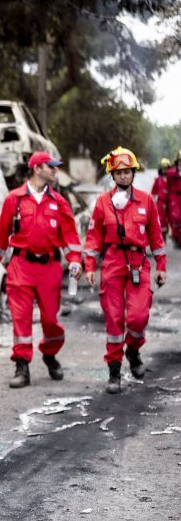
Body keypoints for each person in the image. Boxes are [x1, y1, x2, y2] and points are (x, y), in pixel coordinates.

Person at [0, 151, 83, 388]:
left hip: (49, 268)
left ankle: (49, 354)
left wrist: (75, 260)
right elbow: (0, 235)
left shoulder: (59, 202)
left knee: (50, 320)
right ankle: (22, 365)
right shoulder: (14, 199)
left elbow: (69, 236)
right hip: (20, 267)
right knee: (21, 320)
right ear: (38, 168)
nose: (55, 170)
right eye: (51, 166)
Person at [83, 147, 167, 394]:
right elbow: (93, 238)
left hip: (139, 263)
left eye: (127, 172)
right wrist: (90, 266)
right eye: (118, 172)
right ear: (112, 175)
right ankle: (114, 370)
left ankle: (133, 349)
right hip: (112, 263)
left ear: (133, 173)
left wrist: (161, 267)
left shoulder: (146, 201)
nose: (123, 176)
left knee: (138, 317)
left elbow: (156, 238)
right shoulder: (102, 203)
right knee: (114, 319)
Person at [164, 150, 181, 247]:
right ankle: (176, 237)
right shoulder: (171, 173)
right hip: (174, 195)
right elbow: (168, 185)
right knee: (177, 217)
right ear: (177, 161)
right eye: (180, 160)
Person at [152, 157, 171, 237]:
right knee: (161, 219)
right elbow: (153, 191)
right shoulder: (158, 179)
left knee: (172, 217)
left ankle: (173, 234)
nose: (165, 170)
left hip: (171, 202)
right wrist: (153, 201)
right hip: (160, 202)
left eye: (166, 168)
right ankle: (163, 235)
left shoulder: (172, 179)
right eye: (163, 169)